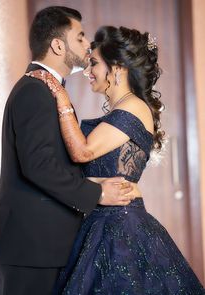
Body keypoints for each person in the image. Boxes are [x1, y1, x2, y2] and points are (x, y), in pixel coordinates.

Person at [28, 26, 205, 294]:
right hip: (101, 221)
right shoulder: (124, 108)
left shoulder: (133, 105)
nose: (88, 71)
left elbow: (83, 152)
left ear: (118, 67)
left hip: (120, 227)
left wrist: (60, 95)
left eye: (94, 64)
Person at [0, 8, 135, 295]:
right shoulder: (35, 90)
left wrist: (93, 182)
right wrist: (98, 194)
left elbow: (51, 162)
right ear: (57, 45)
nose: (87, 45)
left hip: (41, 245)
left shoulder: (47, 89)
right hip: (29, 247)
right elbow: (39, 166)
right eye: (80, 38)